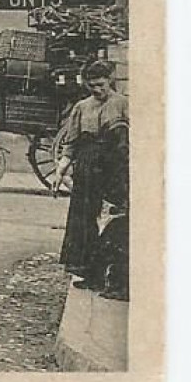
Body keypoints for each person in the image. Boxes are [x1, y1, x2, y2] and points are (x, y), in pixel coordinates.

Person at [53, 59, 129, 289]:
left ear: (110, 80)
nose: (97, 90)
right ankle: (87, 273)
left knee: (109, 219)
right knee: (83, 218)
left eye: (101, 84)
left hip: (112, 166)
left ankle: (107, 276)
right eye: (92, 85)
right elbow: (71, 144)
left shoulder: (123, 104)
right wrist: (60, 171)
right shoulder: (81, 107)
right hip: (86, 166)